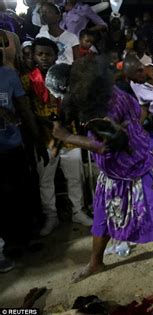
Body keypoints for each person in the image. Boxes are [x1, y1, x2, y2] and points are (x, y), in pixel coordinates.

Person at [48, 57, 153, 285]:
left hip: (137, 167)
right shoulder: (104, 91)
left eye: (61, 96)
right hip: (115, 171)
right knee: (103, 216)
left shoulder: (100, 109)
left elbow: (105, 145)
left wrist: (67, 137)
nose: (61, 100)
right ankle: (95, 262)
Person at [24, 37, 93, 236]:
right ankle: (51, 216)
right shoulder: (28, 79)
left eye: (48, 54)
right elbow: (26, 110)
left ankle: (78, 211)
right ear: (35, 56)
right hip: (44, 138)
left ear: (56, 55)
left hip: (68, 135)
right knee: (46, 180)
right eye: (40, 54)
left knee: (74, 177)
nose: (44, 58)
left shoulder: (67, 76)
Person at [0, 49, 47, 268]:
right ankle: (11, 240)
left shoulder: (9, 75)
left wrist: (37, 139)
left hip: (13, 143)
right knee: (3, 196)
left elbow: (24, 109)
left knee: (23, 189)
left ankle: (30, 234)